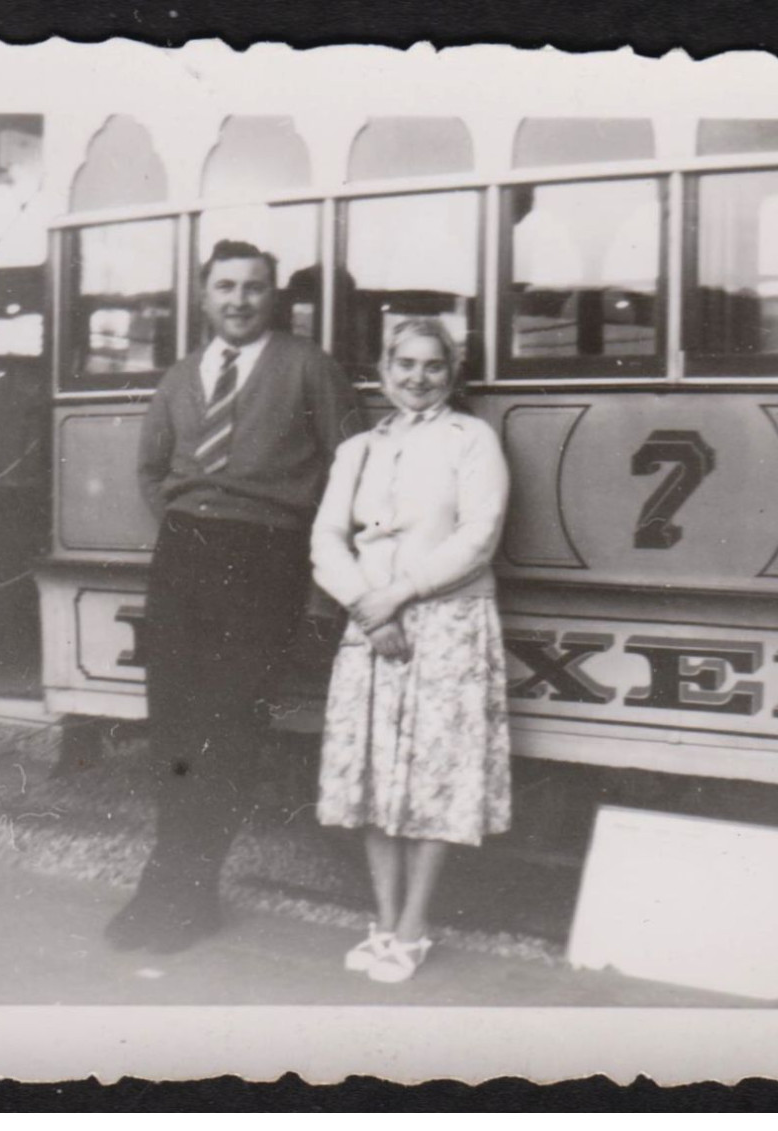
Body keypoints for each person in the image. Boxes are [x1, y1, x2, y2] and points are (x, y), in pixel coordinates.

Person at [110, 239, 363, 954]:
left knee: (225, 728)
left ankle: (190, 889)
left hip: (266, 558)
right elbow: (152, 470)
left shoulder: (309, 369)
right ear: (204, 293)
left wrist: (314, 580)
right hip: (185, 556)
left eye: (254, 286)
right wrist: (193, 524)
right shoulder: (181, 376)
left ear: (272, 295)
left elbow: (351, 471)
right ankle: (166, 879)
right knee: (172, 725)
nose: (239, 299)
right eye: (226, 285)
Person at [310, 317, 513, 983]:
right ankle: (383, 918)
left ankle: (412, 927)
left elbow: (478, 535)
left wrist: (394, 595)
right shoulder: (357, 450)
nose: (417, 378)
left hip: (446, 620)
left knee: (434, 777)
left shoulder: (471, 438)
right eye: (404, 364)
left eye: (432, 365)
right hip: (371, 625)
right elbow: (326, 541)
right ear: (382, 368)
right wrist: (368, 611)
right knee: (374, 776)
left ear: (451, 371)